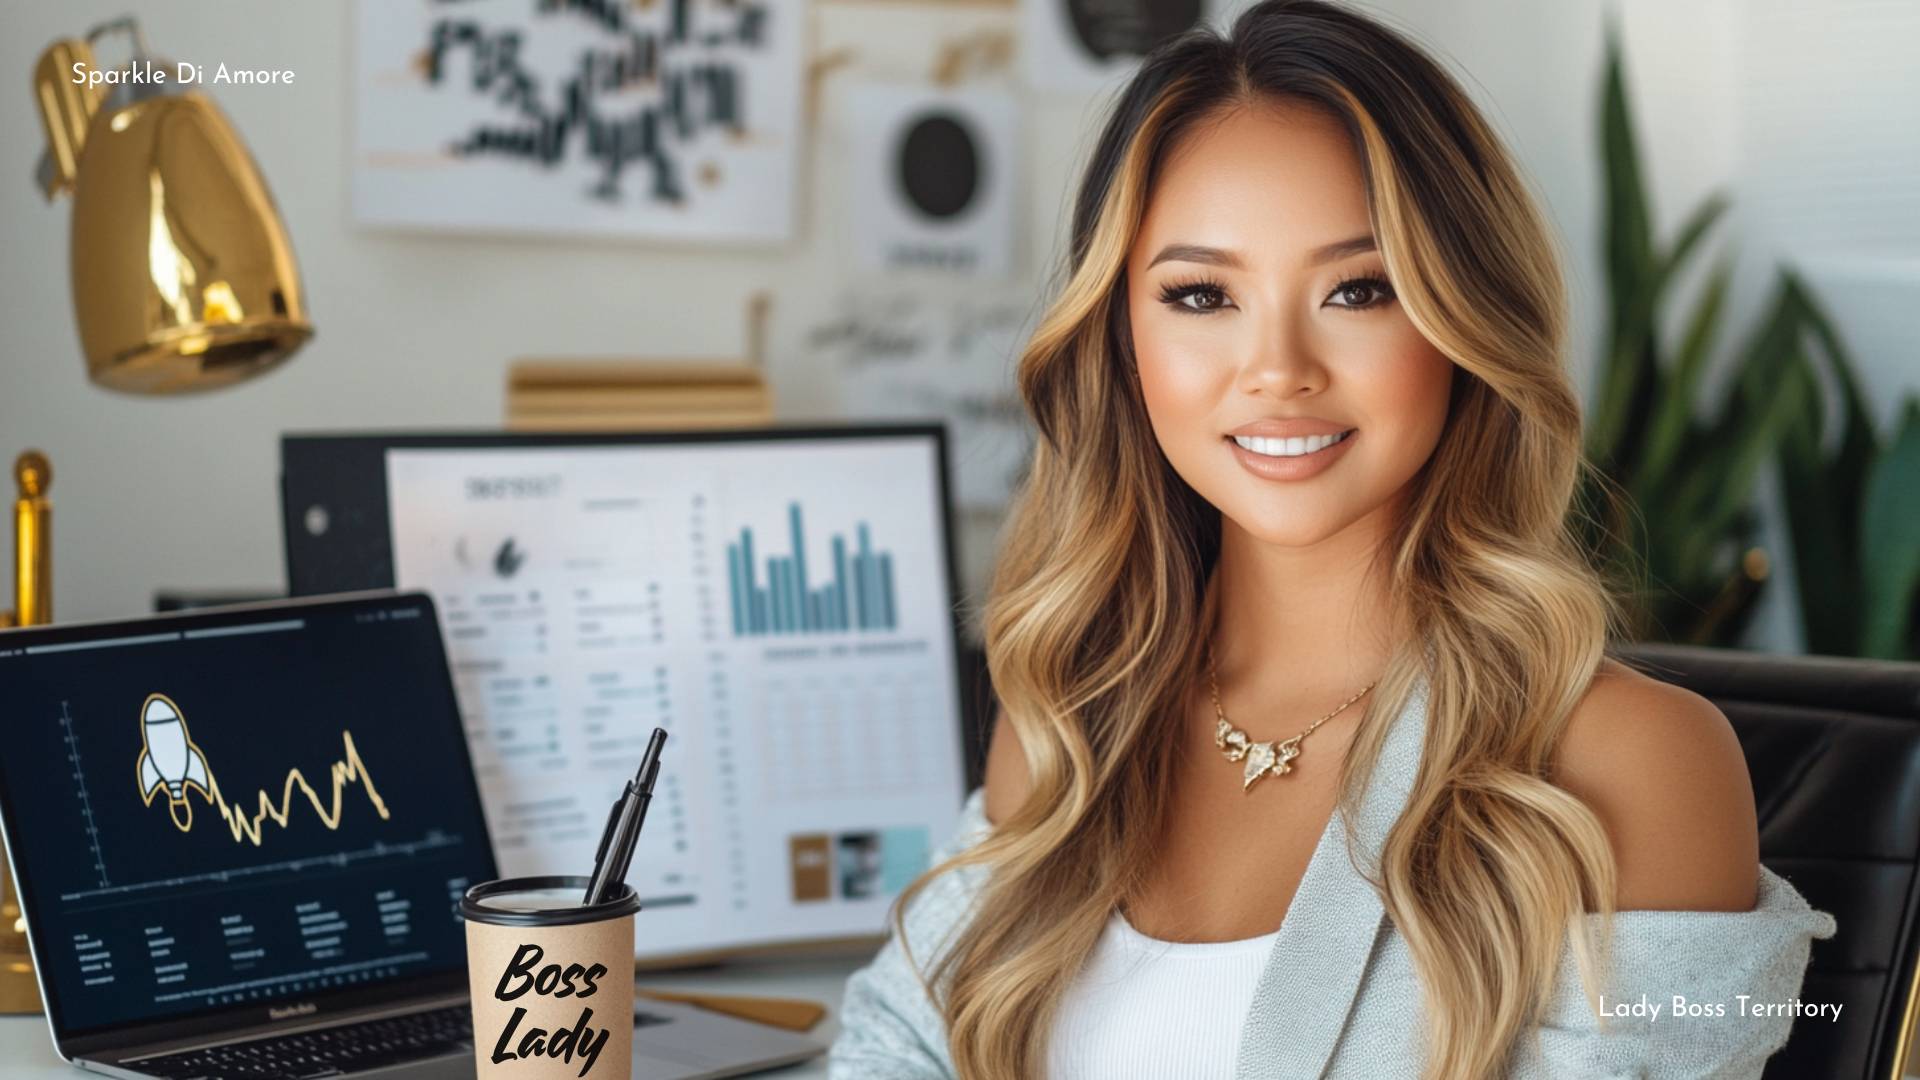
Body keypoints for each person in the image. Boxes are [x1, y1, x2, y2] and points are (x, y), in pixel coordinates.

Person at [828, 2, 1837, 1077]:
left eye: (1360, 289)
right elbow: (896, 1049)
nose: (1278, 368)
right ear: (1119, 337)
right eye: (1202, 294)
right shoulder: (1069, 724)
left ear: (1464, 319)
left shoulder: (1628, 767)